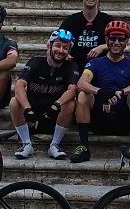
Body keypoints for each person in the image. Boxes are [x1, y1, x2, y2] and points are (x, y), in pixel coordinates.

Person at [70, 19, 130, 164]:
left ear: (126, 41)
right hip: (99, 119)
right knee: (83, 94)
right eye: (112, 38)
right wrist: (100, 92)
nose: (116, 42)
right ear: (106, 39)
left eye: (121, 39)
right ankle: (84, 146)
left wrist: (120, 92)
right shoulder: (95, 63)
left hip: (123, 121)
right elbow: (81, 82)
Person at [10, 28, 79, 160]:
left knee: (70, 104)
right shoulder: (36, 62)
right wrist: (27, 109)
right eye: (57, 45)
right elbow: (19, 85)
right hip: (32, 117)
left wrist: (56, 105)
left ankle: (55, 145)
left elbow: (72, 89)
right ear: (49, 45)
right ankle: (26, 143)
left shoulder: (71, 66)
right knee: (14, 102)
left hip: (54, 116)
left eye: (65, 48)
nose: (60, 51)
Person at [61, 0, 112, 70]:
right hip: (75, 68)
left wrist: (102, 47)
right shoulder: (71, 21)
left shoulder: (108, 20)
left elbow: (120, 43)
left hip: (101, 69)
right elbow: (53, 41)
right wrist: (65, 53)